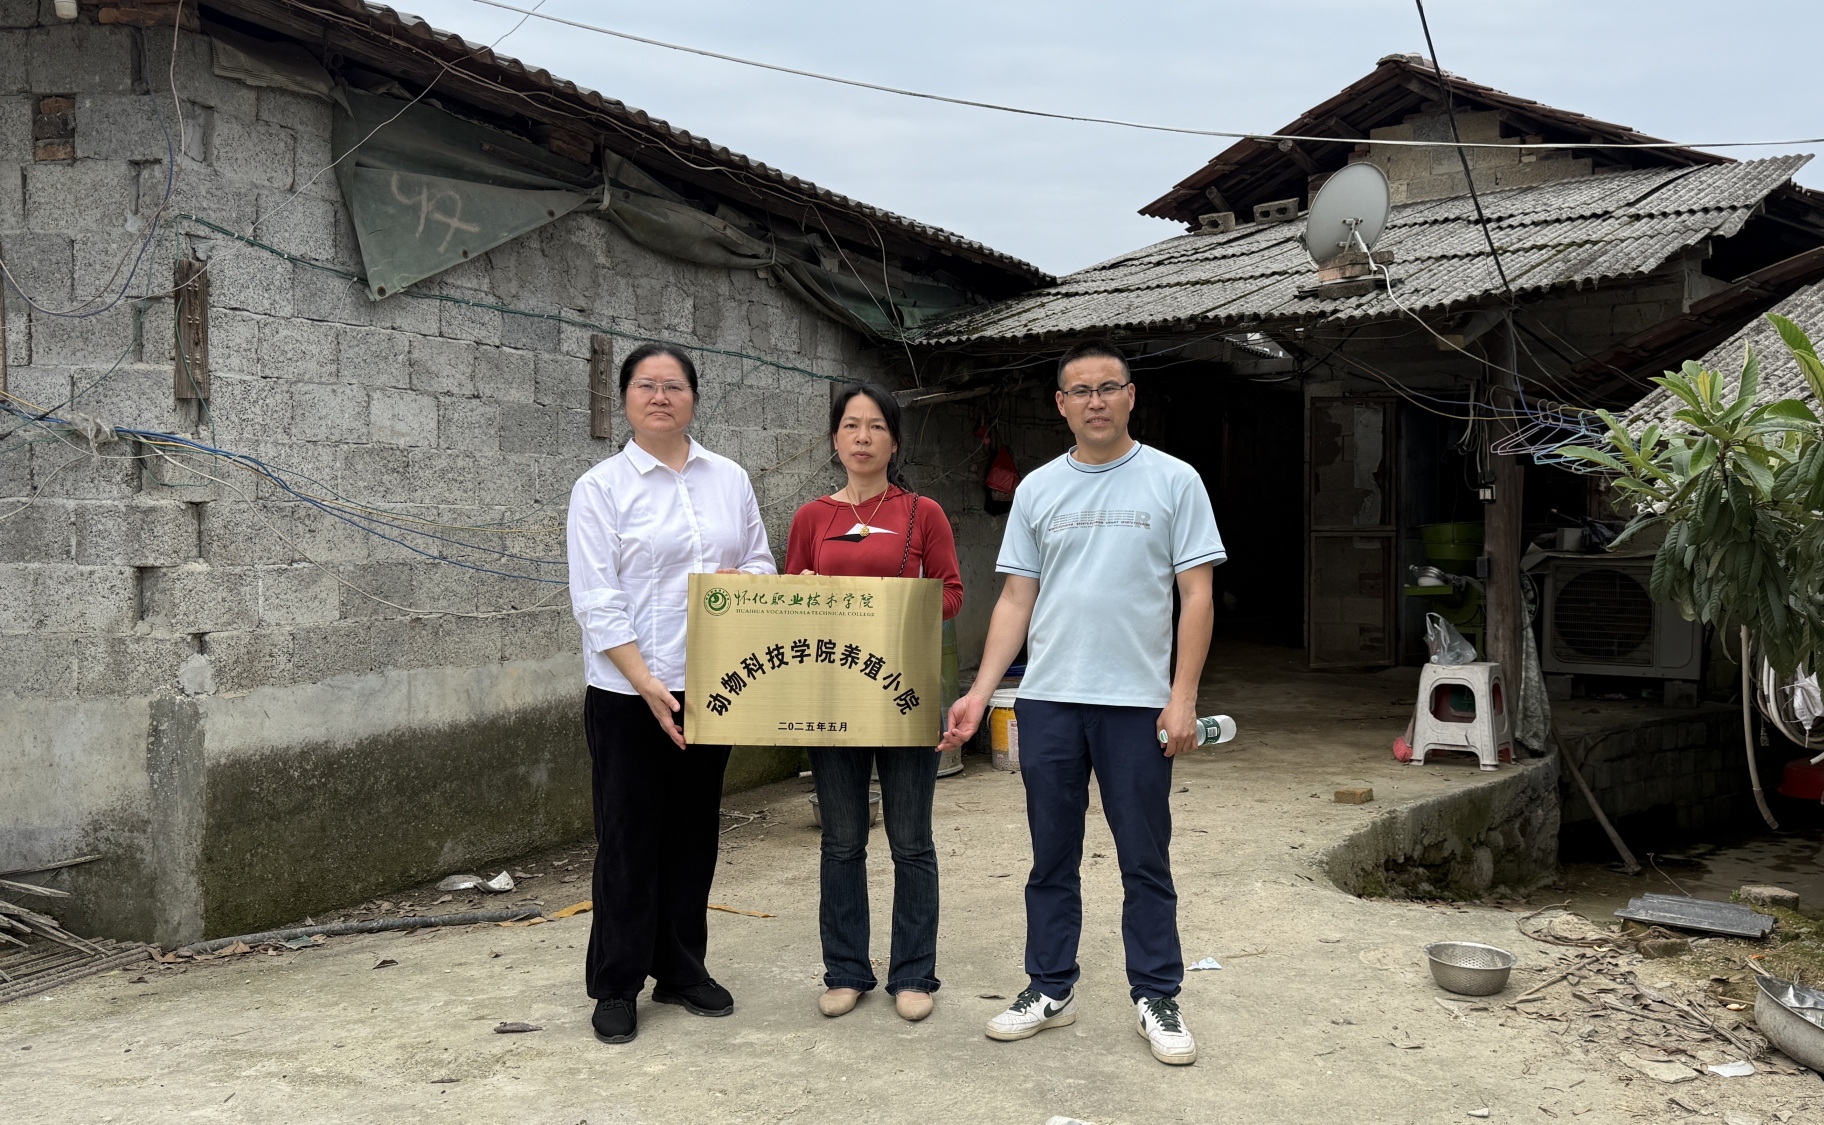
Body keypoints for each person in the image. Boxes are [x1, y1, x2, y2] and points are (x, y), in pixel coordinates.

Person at [939, 340, 1223, 1066]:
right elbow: (1016, 598)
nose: (1096, 401)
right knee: (1051, 857)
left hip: (1136, 705)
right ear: (1061, 405)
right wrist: (979, 693)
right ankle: (1049, 986)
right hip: (1049, 702)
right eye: (1080, 391)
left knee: (1144, 858)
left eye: (1108, 387)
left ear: (1131, 396)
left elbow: (1196, 595)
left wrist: (1182, 696)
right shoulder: (1038, 489)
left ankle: (1156, 994)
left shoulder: (1175, 480)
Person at [566, 342, 776, 1045]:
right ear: (625, 397)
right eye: (647, 385)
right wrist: (645, 681)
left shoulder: (729, 479)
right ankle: (617, 982)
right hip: (628, 691)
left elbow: (760, 563)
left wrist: (743, 582)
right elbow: (597, 598)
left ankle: (682, 968)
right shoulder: (600, 487)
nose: (661, 396)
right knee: (628, 837)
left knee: (693, 833)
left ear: (694, 397)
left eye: (675, 385)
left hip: (714, 685)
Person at [785, 383, 963, 1023]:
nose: (863, 437)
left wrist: (899, 603)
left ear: (894, 441)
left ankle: (913, 974)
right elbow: (790, 602)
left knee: (911, 841)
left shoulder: (922, 512)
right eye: (851, 426)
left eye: (876, 427)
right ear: (835, 439)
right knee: (841, 841)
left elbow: (951, 594)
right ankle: (845, 971)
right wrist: (803, 590)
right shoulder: (811, 518)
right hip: (833, 692)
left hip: (902, 692)